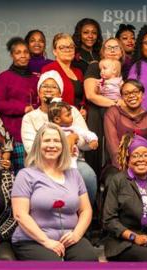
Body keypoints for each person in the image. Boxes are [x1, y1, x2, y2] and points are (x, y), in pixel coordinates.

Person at [11, 123, 97, 261]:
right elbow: (20, 214)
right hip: (34, 240)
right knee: (53, 264)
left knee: (88, 259)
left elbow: (86, 210)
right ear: (38, 145)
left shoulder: (74, 174)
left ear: (63, 146)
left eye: (56, 141)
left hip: (70, 238)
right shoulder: (25, 175)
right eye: (46, 141)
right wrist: (46, 241)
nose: (52, 145)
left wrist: (76, 234)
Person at [21, 71, 97, 200]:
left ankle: (85, 214)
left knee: (88, 175)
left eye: (54, 86)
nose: (48, 89)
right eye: (44, 86)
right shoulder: (30, 117)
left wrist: (75, 138)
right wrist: (66, 142)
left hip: (73, 159)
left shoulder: (71, 111)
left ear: (60, 92)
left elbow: (87, 145)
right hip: (41, 161)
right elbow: (30, 148)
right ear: (39, 91)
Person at [101, 134, 147, 262]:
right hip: (123, 241)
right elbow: (109, 220)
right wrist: (133, 237)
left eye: (146, 155)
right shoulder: (118, 181)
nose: (141, 159)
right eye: (136, 155)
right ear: (128, 160)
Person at [0, 37, 39, 171]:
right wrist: (23, 108)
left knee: (35, 171)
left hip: (34, 132)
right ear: (12, 55)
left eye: (26, 52)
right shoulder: (4, 77)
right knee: (20, 172)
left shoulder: (36, 78)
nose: (22, 56)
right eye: (18, 52)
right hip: (14, 132)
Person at [83, 37, 126, 179]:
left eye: (116, 47)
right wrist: (115, 103)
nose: (112, 51)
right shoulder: (96, 67)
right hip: (98, 113)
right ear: (102, 51)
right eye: (108, 47)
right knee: (97, 151)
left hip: (120, 115)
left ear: (122, 52)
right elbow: (91, 95)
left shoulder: (126, 70)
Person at [104, 80, 147, 170]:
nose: (131, 95)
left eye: (136, 92)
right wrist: (123, 165)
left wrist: (141, 160)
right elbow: (112, 144)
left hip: (145, 164)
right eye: (126, 93)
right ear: (122, 97)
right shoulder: (113, 112)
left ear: (142, 94)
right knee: (119, 180)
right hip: (119, 164)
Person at [42, 33, 85, 107]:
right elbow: (46, 98)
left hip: (79, 116)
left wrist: (84, 109)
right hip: (59, 115)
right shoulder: (49, 69)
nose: (68, 50)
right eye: (62, 47)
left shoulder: (78, 72)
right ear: (55, 52)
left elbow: (83, 98)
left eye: (71, 47)